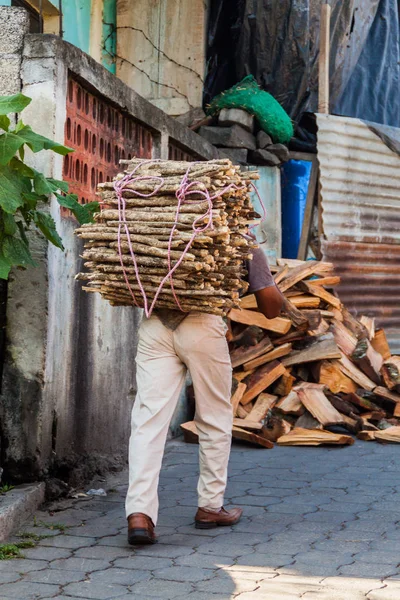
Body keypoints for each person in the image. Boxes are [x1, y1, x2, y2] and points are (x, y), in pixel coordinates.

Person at [126, 245, 284, 544]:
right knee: (213, 417)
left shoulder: (155, 235)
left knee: (148, 421)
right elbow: (271, 308)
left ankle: (139, 514)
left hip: (154, 324)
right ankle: (210, 507)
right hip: (202, 325)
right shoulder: (239, 240)